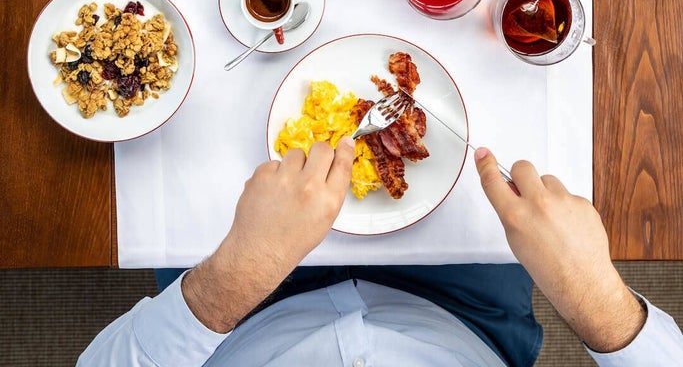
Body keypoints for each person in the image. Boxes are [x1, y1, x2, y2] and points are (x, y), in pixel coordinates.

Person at [77, 143, 682, 365]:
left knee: (189, 148)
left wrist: (237, 274)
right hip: (468, 310)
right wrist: (594, 297)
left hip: (239, 309)